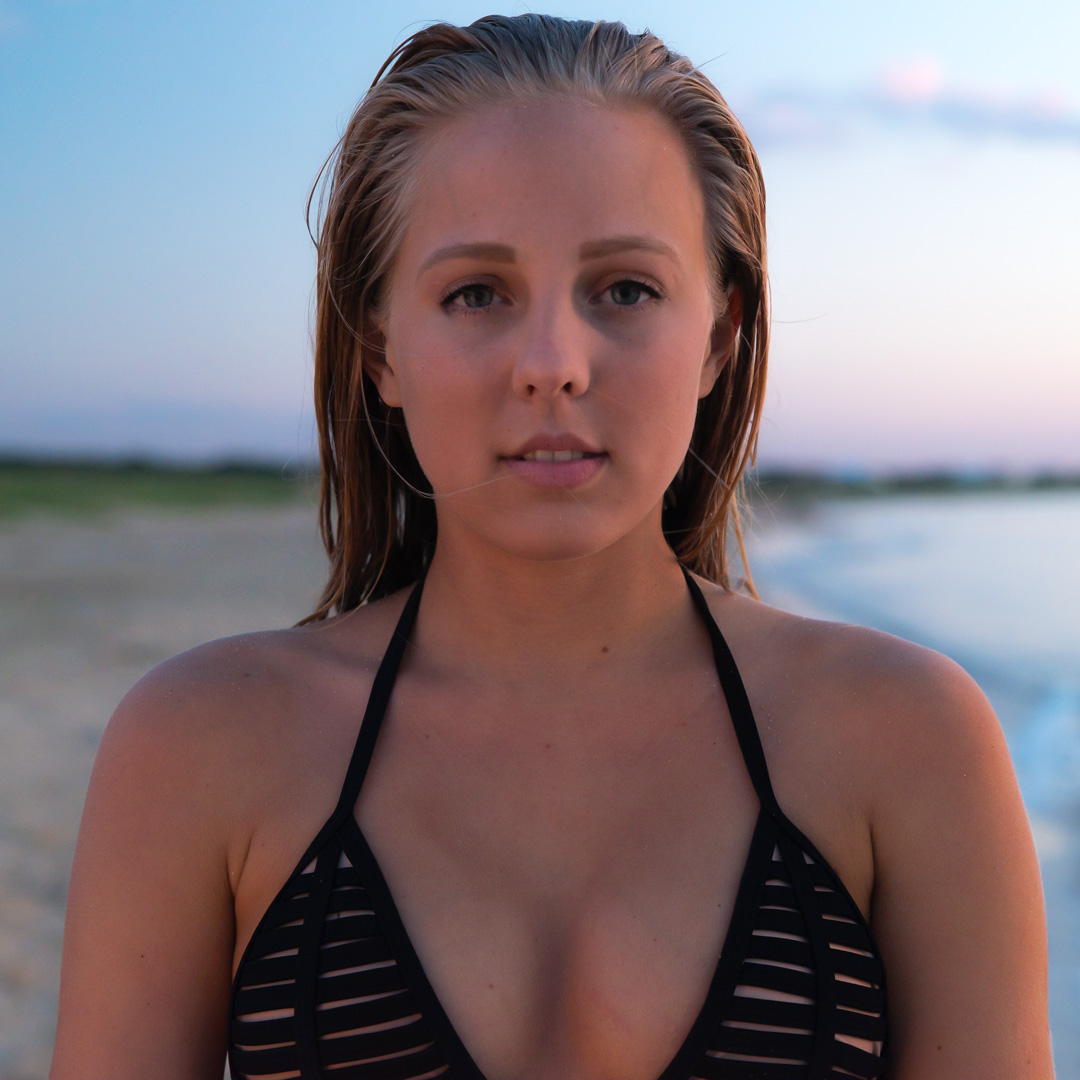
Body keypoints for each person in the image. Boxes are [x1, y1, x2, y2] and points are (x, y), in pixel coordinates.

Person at [51, 14, 1053, 1080]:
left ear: (719, 337)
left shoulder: (907, 744)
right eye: (476, 292)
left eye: (624, 289)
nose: (553, 365)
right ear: (379, 347)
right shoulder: (204, 746)